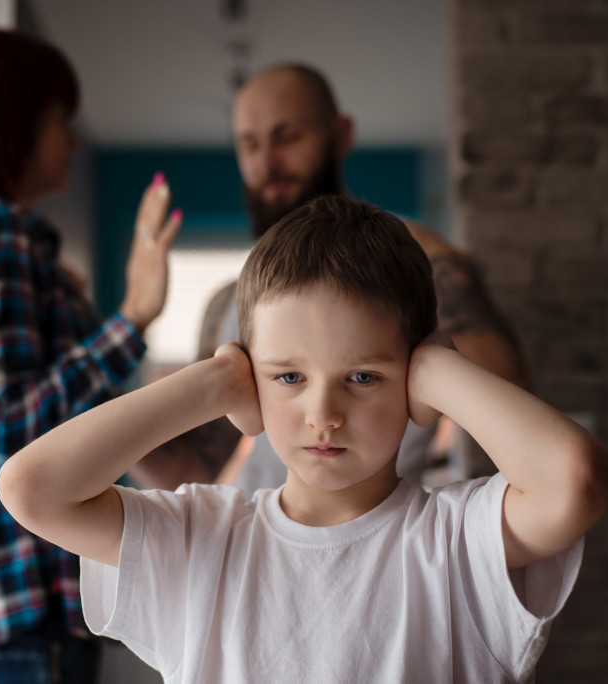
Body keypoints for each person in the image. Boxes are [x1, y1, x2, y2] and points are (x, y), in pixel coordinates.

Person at [0, 196, 608, 683]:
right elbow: (31, 488)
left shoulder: (457, 540)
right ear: (251, 376)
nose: (324, 413)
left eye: (363, 376)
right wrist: (213, 384)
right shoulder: (201, 538)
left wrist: (437, 370)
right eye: (288, 376)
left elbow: (578, 480)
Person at [0, 27, 181, 683]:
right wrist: (133, 316)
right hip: (10, 618)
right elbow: (14, 430)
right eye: (61, 118)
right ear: (13, 121)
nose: (75, 140)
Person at [131, 62, 529, 493]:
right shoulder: (231, 302)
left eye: (287, 137)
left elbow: (505, 384)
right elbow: (195, 472)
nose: (267, 164)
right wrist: (127, 326)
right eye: (249, 146)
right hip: (260, 542)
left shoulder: (416, 258)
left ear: (340, 135)